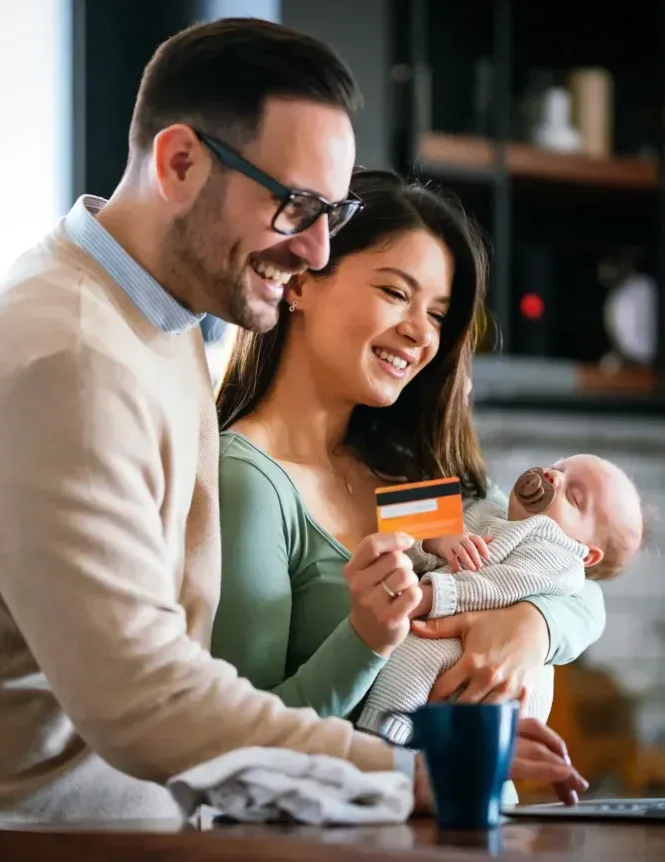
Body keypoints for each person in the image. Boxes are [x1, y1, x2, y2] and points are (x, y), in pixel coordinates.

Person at [0, 19, 584, 862]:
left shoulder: (155, 321)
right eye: (296, 207)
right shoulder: (67, 353)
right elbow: (144, 700)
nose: (315, 248)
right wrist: (400, 771)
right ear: (180, 163)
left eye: (333, 213)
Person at [212, 168, 603, 801]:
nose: (422, 334)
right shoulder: (250, 481)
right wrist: (366, 637)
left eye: (439, 315)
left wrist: (533, 626)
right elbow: (243, 750)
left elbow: (571, 577)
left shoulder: (415, 468)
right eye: (396, 293)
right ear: (303, 281)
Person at [357, 455, 645, 743]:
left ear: (587, 553)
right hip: (444, 642)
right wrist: (435, 539)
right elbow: (393, 519)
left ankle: (381, 741)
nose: (553, 476)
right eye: (558, 467)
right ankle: (382, 745)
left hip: (484, 671)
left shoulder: (560, 555)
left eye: (574, 496)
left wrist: (429, 597)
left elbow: (497, 586)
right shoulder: (484, 512)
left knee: (415, 659)